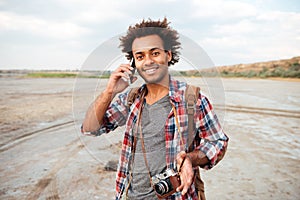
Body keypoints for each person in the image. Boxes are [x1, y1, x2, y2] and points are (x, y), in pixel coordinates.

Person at [81, 17, 229, 200]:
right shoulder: (130, 100)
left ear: (168, 55)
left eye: (155, 53)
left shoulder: (193, 99)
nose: (148, 61)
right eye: (140, 56)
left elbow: (218, 142)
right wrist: (110, 91)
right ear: (134, 63)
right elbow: (89, 128)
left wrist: (190, 159)